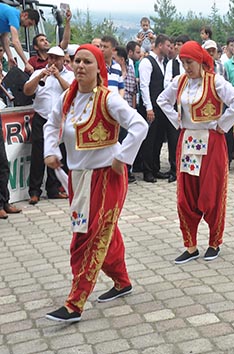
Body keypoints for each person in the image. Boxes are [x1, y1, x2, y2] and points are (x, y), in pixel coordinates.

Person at [43, 44, 148, 322]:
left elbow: (139, 125)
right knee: (104, 234)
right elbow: (50, 125)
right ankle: (122, 281)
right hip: (78, 179)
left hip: (107, 178)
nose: (79, 66)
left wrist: (122, 157)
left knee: (89, 239)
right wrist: (50, 151)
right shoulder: (67, 98)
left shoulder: (109, 99)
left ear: (98, 68)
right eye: (76, 60)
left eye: (87, 62)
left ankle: (75, 303)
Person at [156, 41, 234, 264]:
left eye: (190, 62)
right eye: (183, 62)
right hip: (188, 142)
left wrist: (222, 124)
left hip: (211, 142)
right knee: (186, 195)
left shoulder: (215, 81)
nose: (186, 67)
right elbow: (162, 100)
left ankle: (215, 241)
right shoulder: (180, 82)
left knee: (211, 193)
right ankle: (190, 245)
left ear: (200, 60)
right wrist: (176, 121)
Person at [23, 46, 74, 205]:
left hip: (60, 120)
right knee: (38, 154)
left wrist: (58, 77)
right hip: (41, 118)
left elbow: (72, 92)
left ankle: (54, 189)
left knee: (57, 153)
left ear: (61, 60)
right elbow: (27, 91)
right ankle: (34, 191)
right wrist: (39, 78)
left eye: (56, 58)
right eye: (50, 58)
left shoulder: (70, 75)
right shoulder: (39, 72)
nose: (52, 61)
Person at [138, 34, 177, 183]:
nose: (169, 49)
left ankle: (155, 168)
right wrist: (148, 107)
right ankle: (147, 171)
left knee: (158, 140)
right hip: (151, 107)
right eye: (168, 46)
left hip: (161, 107)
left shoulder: (163, 62)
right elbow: (144, 86)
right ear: (160, 45)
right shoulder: (147, 63)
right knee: (149, 139)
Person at [0, 4, 39, 73]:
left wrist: (10, 56)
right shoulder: (14, 16)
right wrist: (26, 62)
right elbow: (15, 41)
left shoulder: (9, 18)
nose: (27, 26)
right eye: (29, 23)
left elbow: (4, 38)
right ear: (25, 15)